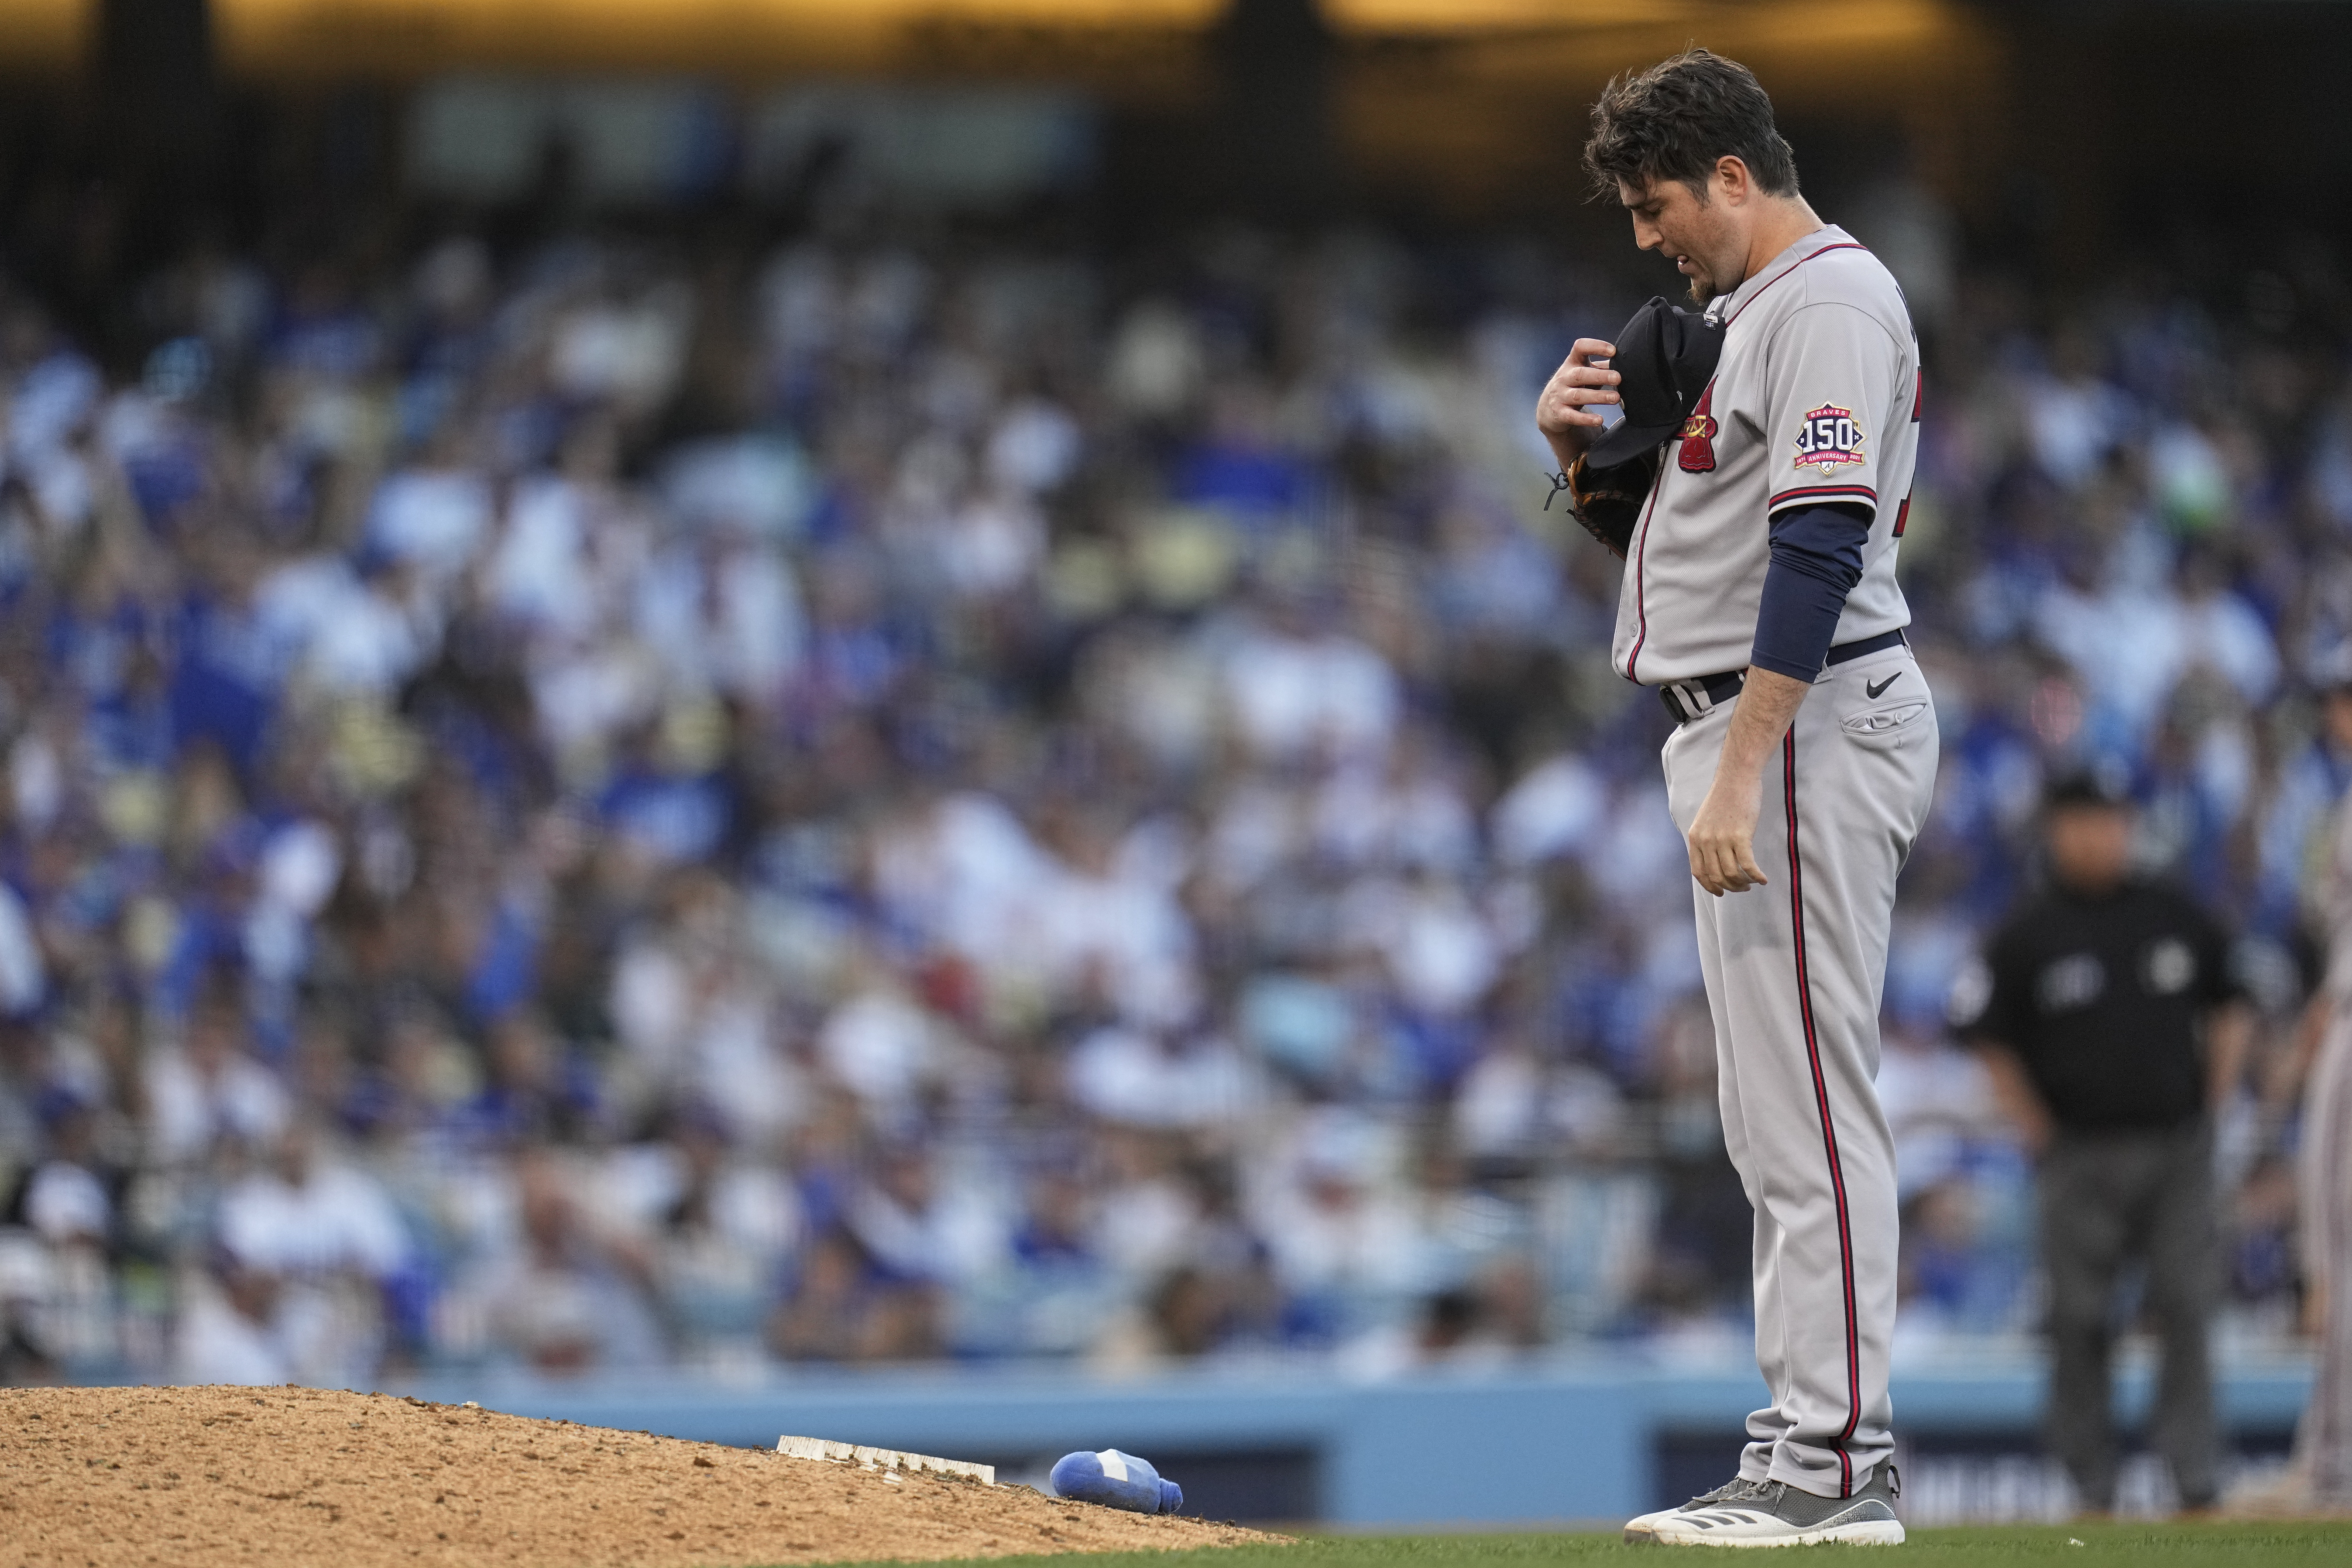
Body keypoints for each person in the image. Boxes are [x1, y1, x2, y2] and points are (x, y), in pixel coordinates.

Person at [1538, 48, 1933, 1547]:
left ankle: (1833, 1467)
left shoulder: (1826, 299)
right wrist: (1577, 465)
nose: (1647, 236)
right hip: (1758, 721)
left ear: (1731, 175)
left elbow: (1822, 549)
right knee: (1775, 1117)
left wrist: (1750, 765)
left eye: (1657, 205)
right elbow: (1687, 556)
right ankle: (1809, 1445)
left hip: (1806, 727)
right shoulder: (1747, 315)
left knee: (1812, 1112)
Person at [1954, 770, 2250, 1516]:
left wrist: (2212, 1098)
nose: (2100, 834)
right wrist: (2034, 1125)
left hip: (2174, 1147)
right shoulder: (2028, 930)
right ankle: (2090, 1483)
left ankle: (2195, 1478)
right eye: (2085, 819)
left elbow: (2234, 1001)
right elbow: (1984, 1035)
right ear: (2056, 829)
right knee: (2080, 1319)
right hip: (2077, 1150)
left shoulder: (2172, 910)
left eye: (2112, 818)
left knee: (2187, 1305)